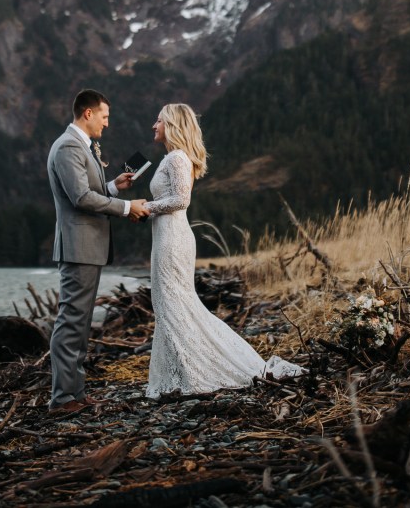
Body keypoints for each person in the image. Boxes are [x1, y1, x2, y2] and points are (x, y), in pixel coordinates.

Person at [143, 103, 302, 398]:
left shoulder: (177, 157)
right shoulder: (173, 158)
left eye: (159, 120)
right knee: (170, 304)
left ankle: (204, 370)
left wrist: (146, 206)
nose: (154, 125)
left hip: (173, 239)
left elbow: (180, 200)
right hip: (166, 236)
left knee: (175, 303)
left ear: (173, 125)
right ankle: (181, 371)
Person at [46, 88, 149, 414]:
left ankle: (75, 393)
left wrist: (112, 186)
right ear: (87, 113)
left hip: (87, 248)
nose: (107, 123)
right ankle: (63, 399)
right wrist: (124, 206)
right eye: (104, 116)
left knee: (80, 322)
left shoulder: (80, 147)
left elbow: (89, 192)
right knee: (71, 322)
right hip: (78, 248)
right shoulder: (67, 147)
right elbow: (80, 199)